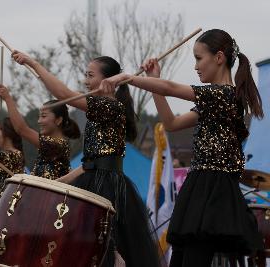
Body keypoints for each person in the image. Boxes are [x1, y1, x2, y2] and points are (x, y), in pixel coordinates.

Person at [99, 29, 264, 267]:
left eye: (199, 58)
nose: (196, 66)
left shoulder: (222, 95)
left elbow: (169, 87)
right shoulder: (214, 101)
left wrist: (127, 77)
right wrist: (154, 80)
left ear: (219, 57)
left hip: (212, 190)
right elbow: (171, 123)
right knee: (182, 258)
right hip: (200, 185)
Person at [12, 51, 161, 267]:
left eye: (90, 75)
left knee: (101, 252)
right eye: (86, 75)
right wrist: (54, 184)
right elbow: (89, 165)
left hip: (106, 189)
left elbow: (63, 93)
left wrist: (33, 63)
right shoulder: (100, 110)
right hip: (94, 181)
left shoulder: (109, 107)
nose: (86, 81)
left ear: (107, 79)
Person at [0, 85, 80, 180]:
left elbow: (21, 129)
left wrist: (8, 99)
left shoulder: (57, 145)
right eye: (39, 117)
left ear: (58, 120)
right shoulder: (51, 145)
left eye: (43, 116)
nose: (39, 121)